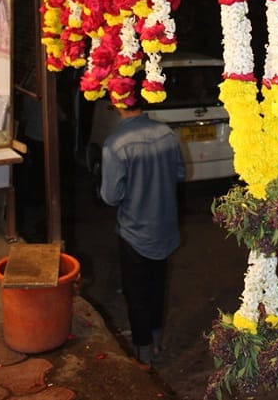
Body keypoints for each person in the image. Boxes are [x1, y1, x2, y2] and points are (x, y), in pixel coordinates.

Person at [99, 91, 185, 367]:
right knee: (158, 286)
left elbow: (110, 196)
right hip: (165, 226)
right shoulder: (166, 134)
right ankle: (157, 340)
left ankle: (144, 351)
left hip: (135, 231)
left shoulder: (115, 144)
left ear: (116, 104)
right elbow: (180, 174)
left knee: (136, 292)